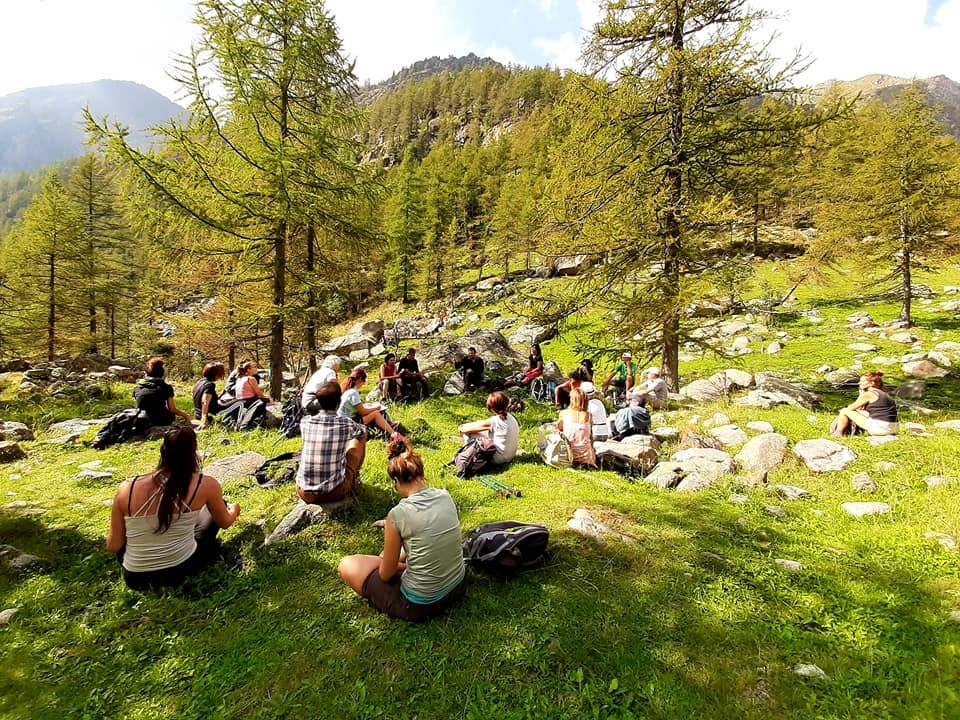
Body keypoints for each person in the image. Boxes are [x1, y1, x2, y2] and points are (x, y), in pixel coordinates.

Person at [338, 439, 467, 621]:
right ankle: (400, 564)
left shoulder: (397, 515)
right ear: (421, 474)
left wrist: (395, 565)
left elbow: (386, 574)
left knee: (348, 564)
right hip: (457, 586)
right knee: (390, 554)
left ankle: (400, 569)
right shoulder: (445, 496)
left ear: (396, 480)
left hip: (420, 604)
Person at [105, 427, 240, 591]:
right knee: (218, 507)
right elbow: (224, 522)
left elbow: (113, 545)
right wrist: (234, 510)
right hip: (180, 569)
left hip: (135, 578)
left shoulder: (127, 487)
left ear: (162, 450)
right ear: (193, 452)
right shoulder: (204, 484)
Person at [296, 381, 368, 503]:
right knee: (361, 436)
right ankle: (354, 480)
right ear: (339, 403)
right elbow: (361, 431)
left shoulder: (305, 421)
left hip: (303, 491)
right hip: (334, 491)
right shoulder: (345, 423)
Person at [457, 391, 520, 465]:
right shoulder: (511, 418)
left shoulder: (495, 421)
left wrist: (461, 428)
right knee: (485, 433)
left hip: (499, 458)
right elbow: (483, 424)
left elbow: (466, 429)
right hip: (510, 456)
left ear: (492, 408)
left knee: (468, 434)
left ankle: (467, 454)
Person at [339, 367, 403, 440]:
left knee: (373, 411)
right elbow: (363, 412)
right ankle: (393, 433)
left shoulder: (348, 390)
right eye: (363, 382)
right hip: (350, 421)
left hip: (347, 418)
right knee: (376, 413)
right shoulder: (353, 392)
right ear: (360, 379)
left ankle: (388, 427)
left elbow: (356, 406)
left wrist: (367, 406)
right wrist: (376, 408)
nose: (362, 385)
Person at [830, 371, 899, 437]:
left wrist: (861, 394)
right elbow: (860, 410)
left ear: (872, 383)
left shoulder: (869, 394)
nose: (859, 383)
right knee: (861, 412)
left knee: (844, 411)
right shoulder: (883, 393)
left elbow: (851, 408)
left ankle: (838, 433)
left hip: (881, 428)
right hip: (894, 428)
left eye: (863, 381)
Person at [133, 357, 194, 426]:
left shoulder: (138, 387)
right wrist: (186, 415)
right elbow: (172, 409)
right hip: (160, 420)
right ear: (162, 373)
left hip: (140, 419)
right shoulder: (166, 387)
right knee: (170, 415)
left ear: (146, 373)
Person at [192, 362, 242, 428]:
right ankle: (240, 426)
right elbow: (204, 401)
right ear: (216, 374)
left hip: (197, 414)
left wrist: (221, 394)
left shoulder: (199, 382)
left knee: (229, 402)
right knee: (240, 402)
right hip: (211, 414)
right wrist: (204, 419)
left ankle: (226, 422)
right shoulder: (210, 385)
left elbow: (206, 398)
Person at [557, 388, 597, 467]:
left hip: (568, 455)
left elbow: (559, 428)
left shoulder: (564, 413)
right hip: (587, 457)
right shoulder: (588, 415)